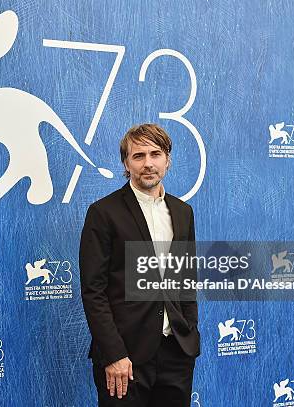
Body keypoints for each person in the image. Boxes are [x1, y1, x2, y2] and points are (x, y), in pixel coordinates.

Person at [79, 123, 200, 406]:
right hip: (125, 359)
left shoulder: (183, 212)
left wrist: (189, 331)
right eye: (138, 156)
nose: (148, 163)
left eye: (155, 154)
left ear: (167, 160)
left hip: (176, 354)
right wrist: (114, 354)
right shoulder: (104, 213)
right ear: (126, 163)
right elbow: (93, 291)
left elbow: (186, 279)